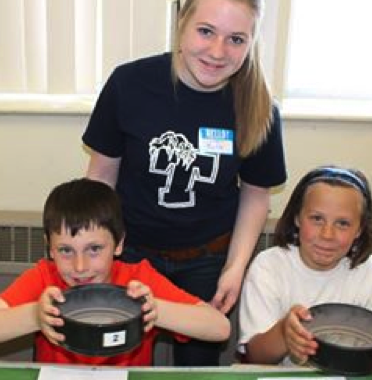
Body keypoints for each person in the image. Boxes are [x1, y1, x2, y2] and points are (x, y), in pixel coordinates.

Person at [82, 0, 286, 366]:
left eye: (236, 39)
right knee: (117, 356)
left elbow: (255, 195)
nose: (217, 52)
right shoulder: (129, 84)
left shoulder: (260, 107)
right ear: (182, 23)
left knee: (197, 368)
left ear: (252, 42)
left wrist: (235, 268)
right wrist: (95, 250)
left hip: (207, 261)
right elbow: (101, 176)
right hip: (130, 253)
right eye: (206, 31)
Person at [0, 178, 230, 366]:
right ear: (49, 248)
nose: (80, 267)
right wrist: (34, 316)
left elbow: (219, 327)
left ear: (119, 244)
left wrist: (155, 309)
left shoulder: (139, 279)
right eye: (65, 250)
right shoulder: (44, 278)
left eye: (94, 249)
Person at [237, 166, 372, 367]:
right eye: (317, 219)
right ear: (297, 218)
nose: (327, 235)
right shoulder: (269, 266)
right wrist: (285, 332)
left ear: (360, 229)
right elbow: (255, 356)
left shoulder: (371, 272)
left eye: (343, 223)